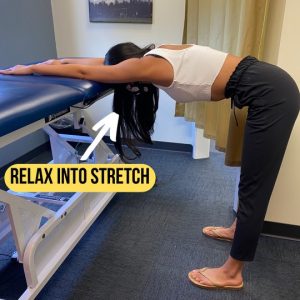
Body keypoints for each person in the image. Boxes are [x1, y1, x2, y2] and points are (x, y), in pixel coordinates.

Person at [1, 42, 299, 290]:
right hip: (269, 84)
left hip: (271, 95)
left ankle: (232, 274)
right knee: (251, 173)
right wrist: (52, 60)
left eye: (122, 74)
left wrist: (29, 70)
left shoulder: (144, 66)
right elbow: (85, 62)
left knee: (255, 182)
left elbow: (83, 70)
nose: (126, 83)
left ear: (127, 66)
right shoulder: (151, 53)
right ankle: (238, 229)